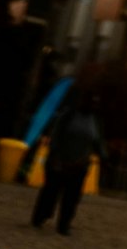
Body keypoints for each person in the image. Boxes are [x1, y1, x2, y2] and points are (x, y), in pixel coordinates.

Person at [31, 87, 103, 235]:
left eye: (96, 103)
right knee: (50, 193)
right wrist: (56, 157)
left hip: (80, 165)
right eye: (92, 102)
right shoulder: (68, 115)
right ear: (84, 101)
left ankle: (64, 224)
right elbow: (55, 136)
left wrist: (104, 155)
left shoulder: (94, 121)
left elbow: (97, 141)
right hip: (60, 162)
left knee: (72, 198)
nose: (94, 106)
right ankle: (40, 217)